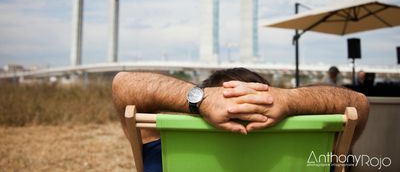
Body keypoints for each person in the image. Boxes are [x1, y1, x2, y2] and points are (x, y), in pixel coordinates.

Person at [112, 68, 369, 172]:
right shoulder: (312, 155)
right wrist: (290, 100)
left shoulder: (164, 154)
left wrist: (199, 100)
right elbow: (359, 104)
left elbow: (123, 84)